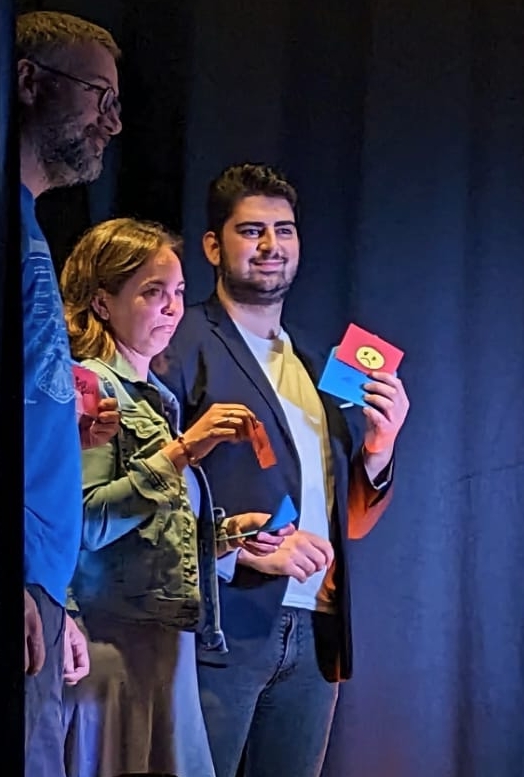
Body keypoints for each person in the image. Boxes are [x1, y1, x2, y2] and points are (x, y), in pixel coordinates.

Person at [155, 163, 410, 777]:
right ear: (213, 246)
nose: (271, 245)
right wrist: (234, 550)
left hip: (315, 632)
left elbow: (350, 521)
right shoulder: (180, 342)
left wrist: (380, 447)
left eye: (284, 230)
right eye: (252, 231)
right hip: (219, 628)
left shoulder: (319, 367)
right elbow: (146, 487)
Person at [57, 217, 292, 777]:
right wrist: (184, 451)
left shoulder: (157, 399)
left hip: (166, 653)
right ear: (102, 303)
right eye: (152, 292)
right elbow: (83, 523)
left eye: (179, 291)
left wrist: (229, 538)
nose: (171, 307)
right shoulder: (88, 387)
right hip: (115, 650)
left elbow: (149, 537)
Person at [16, 11, 123, 775]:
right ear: (28, 81)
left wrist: (58, 601)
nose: (111, 123)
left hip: (41, 592)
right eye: (98, 96)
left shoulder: (28, 224)